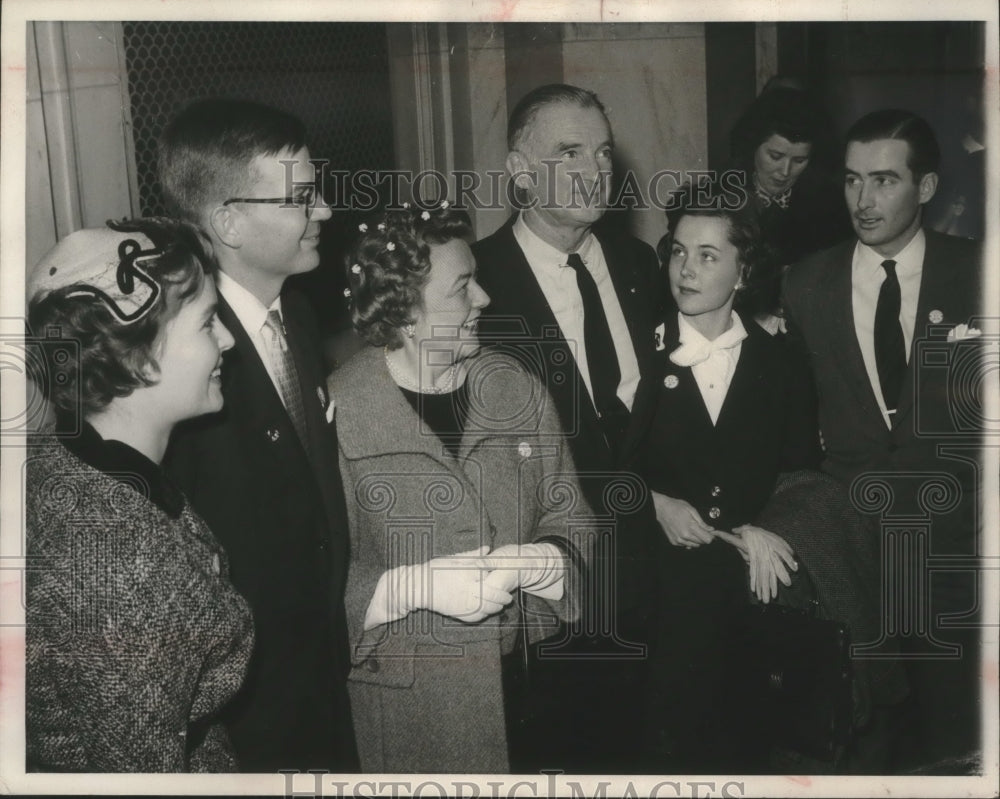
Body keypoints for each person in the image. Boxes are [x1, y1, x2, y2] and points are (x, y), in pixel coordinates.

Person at [331, 203, 589, 773]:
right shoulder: (340, 413)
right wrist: (403, 589)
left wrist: (548, 560)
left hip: (529, 695)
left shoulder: (515, 388)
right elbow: (308, 587)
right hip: (411, 714)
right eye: (462, 287)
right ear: (405, 313)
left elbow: (571, 517)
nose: (484, 300)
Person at [158, 99, 359, 771]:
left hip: (321, 686)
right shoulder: (180, 360)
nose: (324, 210)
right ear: (229, 222)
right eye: (300, 198)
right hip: (246, 718)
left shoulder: (296, 316)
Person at [783, 109, 983, 773]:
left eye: (884, 180)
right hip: (855, 560)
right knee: (863, 750)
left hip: (960, 559)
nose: (863, 201)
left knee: (958, 748)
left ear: (925, 188)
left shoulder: (981, 274)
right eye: (850, 180)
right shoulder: (804, 283)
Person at [471, 83, 664, 771]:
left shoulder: (642, 267)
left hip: (657, 579)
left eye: (604, 152)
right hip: (551, 598)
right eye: (569, 152)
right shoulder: (479, 287)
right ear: (521, 172)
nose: (595, 170)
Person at [25, 217, 252, 772]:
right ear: (138, 359)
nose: (227, 338)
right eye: (206, 324)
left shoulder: (65, 456)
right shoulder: (116, 563)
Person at [639, 191, 822, 771]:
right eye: (678, 252)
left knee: (747, 749)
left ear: (745, 271)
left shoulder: (782, 361)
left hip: (750, 596)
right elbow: (597, 469)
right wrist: (654, 502)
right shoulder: (640, 354)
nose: (687, 269)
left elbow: (802, 476)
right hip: (656, 601)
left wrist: (766, 529)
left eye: (709, 256)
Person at [727, 85, 852, 330]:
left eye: (799, 160)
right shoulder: (720, 198)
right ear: (753, 146)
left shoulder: (834, 210)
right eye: (775, 156)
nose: (784, 172)